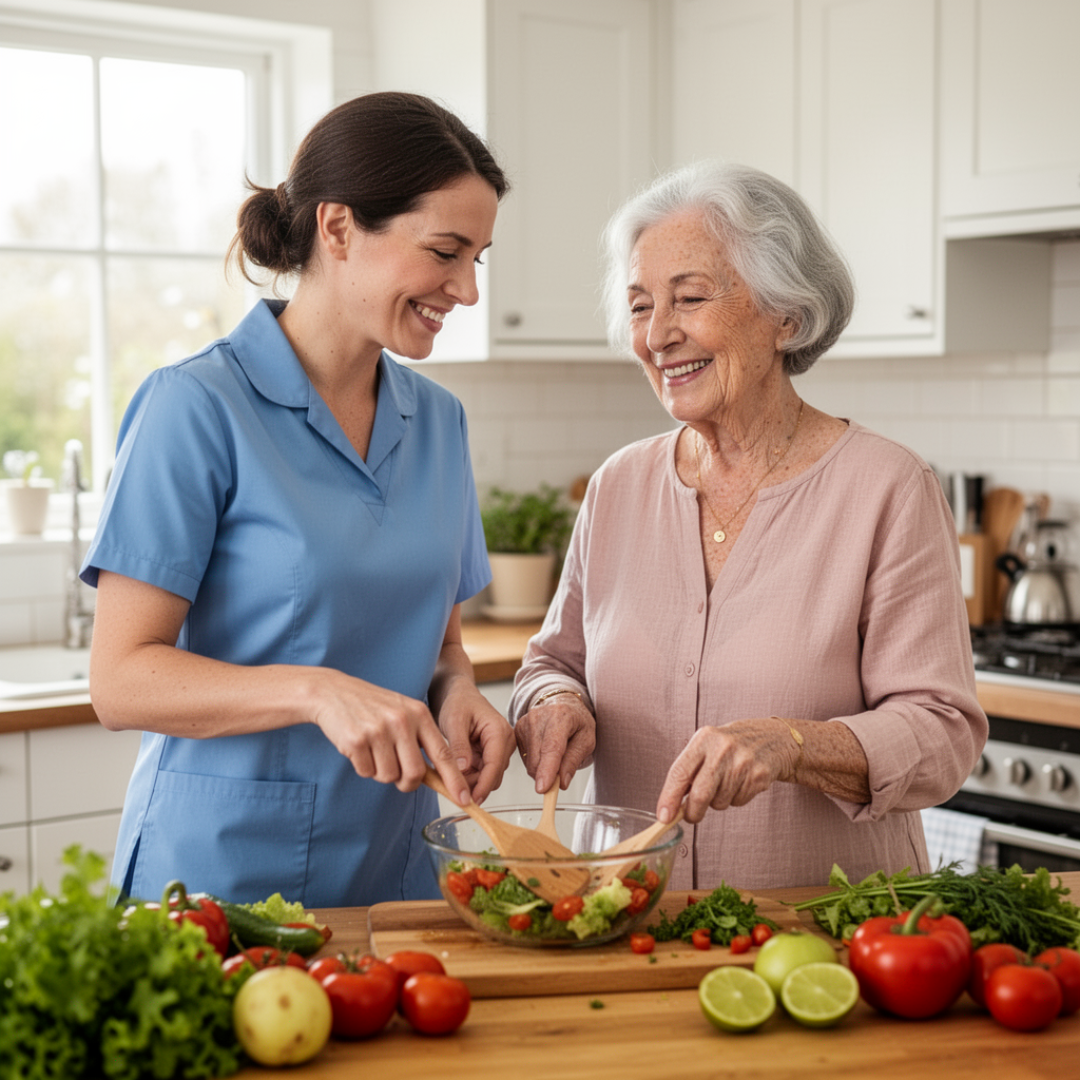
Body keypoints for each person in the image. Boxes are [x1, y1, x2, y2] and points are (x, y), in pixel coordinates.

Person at [82, 92, 516, 908]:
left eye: (476, 260)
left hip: (395, 874)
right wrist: (317, 690)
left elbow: (441, 645)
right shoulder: (196, 407)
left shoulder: (440, 425)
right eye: (445, 252)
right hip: (220, 882)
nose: (465, 290)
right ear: (340, 228)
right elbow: (121, 682)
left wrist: (459, 692)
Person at [509, 160, 987, 891]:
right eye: (640, 307)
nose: (659, 335)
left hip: (826, 937)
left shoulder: (887, 487)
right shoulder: (617, 487)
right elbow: (552, 662)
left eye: (689, 298)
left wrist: (793, 745)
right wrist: (553, 701)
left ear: (786, 315)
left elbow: (943, 732)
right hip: (631, 917)